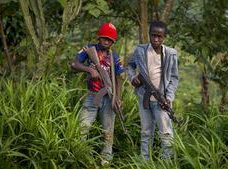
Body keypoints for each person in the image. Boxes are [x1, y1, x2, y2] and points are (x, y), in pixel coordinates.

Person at [70, 22, 123, 165]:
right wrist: (90, 70)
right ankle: (79, 155)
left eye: (110, 40)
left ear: (113, 42)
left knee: (108, 130)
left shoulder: (114, 57)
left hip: (108, 97)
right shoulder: (89, 49)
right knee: (83, 127)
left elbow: (119, 78)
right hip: (92, 95)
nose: (106, 41)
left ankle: (106, 159)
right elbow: (74, 64)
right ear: (99, 37)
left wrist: (117, 97)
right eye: (104, 38)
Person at [126, 20, 179, 160]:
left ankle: (165, 163)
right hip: (145, 98)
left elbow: (174, 78)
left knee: (166, 135)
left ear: (164, 37)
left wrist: (169, 98)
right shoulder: (140, 50)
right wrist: (132, 78)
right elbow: (129, 66)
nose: (156, 39)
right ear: (149, 35)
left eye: (159, 36)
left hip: (162, 100)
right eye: (153, 35)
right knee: (145, 132)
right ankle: (145, 162)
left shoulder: (170, 54)